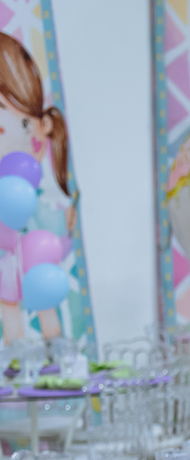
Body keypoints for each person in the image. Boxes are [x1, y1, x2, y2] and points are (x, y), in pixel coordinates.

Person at [0, 31, 75, 343]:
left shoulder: (38, 197)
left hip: (28, 254)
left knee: (33, 289)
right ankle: (18, 356)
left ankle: (51, 348)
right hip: (9, 257)